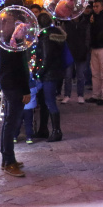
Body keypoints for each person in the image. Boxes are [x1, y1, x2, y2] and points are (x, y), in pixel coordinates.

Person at [0, 0, 32, 177]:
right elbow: (19, 63)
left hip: (6, 78)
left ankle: (8, 158)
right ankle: (8, 161)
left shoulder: (2, 25)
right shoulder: (13, 30)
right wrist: (25, 89)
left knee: (10, 120)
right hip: (13, 81)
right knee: (12, 121)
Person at [34, 13, 67, 141]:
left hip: (49, 74)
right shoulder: (54, 34)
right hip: (54, 72)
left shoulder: (46, 37)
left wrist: (39, 72)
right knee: (43, 102)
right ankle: (43, 129)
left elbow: (46, 58)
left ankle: (56, 131)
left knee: (49, 102)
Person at [62, 6, 90, 104]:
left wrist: (85, 48)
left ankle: (80, 95)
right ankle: (67, 95)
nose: (74, 15)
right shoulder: (66, 23)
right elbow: (63, 36)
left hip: (81, 52)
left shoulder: (85, 23)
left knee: (80, 75)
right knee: (68, 76)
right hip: (69, 52)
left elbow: (87, 37)